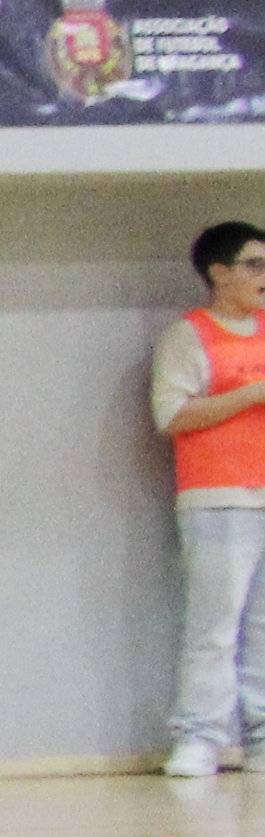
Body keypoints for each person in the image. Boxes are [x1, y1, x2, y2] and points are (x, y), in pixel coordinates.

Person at [163, 223, 265, 779]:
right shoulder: (191, 336)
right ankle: (198, 737)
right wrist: (251, 394)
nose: (264, 277)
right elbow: (171, 415)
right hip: (220, 498)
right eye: (254, 265)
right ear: (219, 273)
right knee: (214, 628)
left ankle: (261, 739)